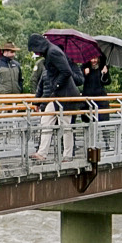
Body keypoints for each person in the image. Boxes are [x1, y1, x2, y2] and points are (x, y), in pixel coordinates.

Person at [27, 33, 83, 161]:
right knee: (46, 121)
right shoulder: (49, 52)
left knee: (66, 126)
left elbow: (67, 71)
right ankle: (42, 153)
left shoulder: (53, 52)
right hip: (56, 95)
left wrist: (56, 85)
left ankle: (67, 155)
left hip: (65, 95)